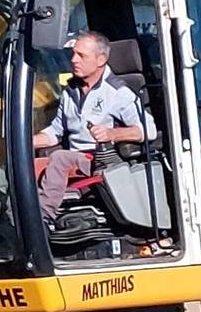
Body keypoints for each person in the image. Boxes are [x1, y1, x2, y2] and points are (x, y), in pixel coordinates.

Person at [33, 32, 147, 220]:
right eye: (73, 54)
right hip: (75, 158)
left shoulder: (118, 93)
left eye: (81, 56)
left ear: (101, 59)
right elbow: (55, 132)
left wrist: (112, 133)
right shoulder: (70, 92)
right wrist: (23, 142)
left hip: (101, 159)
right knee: (29, 165)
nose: (73, 60)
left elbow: (146, 130)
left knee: (60, 157)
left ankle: (44, 218)